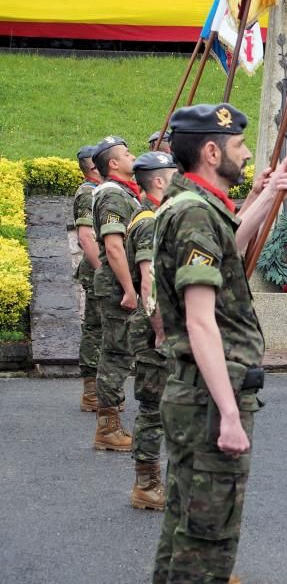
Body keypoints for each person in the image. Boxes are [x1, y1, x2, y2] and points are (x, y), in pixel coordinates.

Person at [151, 103, 287, 583]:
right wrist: (230, 415)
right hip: (208, 399)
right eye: (238, 146)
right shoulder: (195, 215)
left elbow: (229, 246)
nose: (245, 154)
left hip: (193, 394)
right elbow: (200, 323)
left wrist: (268, 194)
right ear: (211, 151)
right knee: (208, 539)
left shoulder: (191, 206)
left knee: (184, 525)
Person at [125, 151, 177, 511]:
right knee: (153, 408)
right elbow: (149, 279)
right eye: (173, 173)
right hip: (151, 331)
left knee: (162, 406)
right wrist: (160, 331)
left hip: (155, 326)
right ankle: (146, 483)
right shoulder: (148, 221)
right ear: (158, 181)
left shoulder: (157, 215)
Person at [90, 135, 140, 451]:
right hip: (117, 286)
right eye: (127, 153)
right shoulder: (113, 197)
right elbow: (114, 246)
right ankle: (107, 428)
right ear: (114, 163)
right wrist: (130, 289)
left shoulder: (124, 194)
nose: (133, 155)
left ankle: (111, 417)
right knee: (116, 352)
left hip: (120, 284)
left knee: (121, 350)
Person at [73, 145, 103, 411]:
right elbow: (85, 237)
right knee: (95, 328)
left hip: (104, 269)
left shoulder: (102, 190)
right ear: (92, 165)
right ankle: (91, 391)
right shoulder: (88, 193)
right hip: (97, 271)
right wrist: (103, 270)